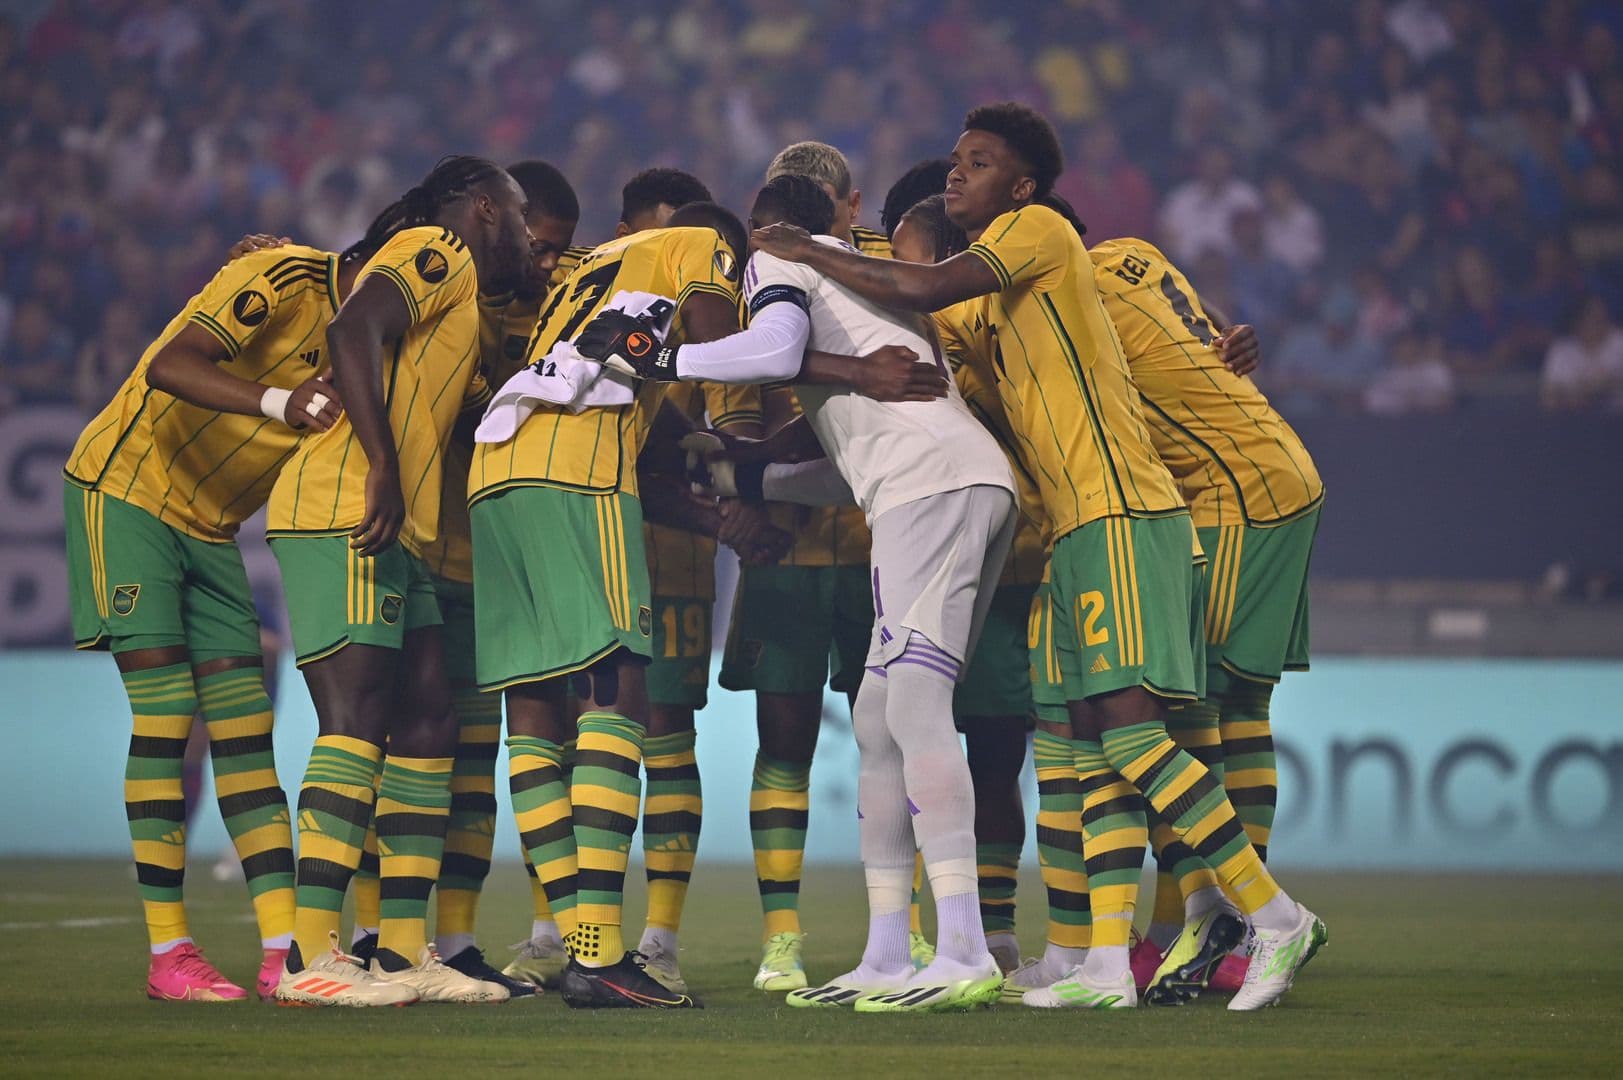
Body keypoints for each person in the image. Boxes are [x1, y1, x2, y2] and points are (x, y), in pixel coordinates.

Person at [751, 101, 1327, 1012]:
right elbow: (933, 366)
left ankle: (1270, 917)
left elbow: (926, 294)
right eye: (954, 160)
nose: (958, 171)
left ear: (1014, 189)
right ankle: (1093, 955)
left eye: (976, 163)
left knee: (1138, 731)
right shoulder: (984, 319)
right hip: (1068, 530)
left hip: (1124, 509)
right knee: (1068, 747)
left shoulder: (1039, 230)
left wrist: (809, 250)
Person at [575, 173, 1013, 1012]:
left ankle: (961, 947)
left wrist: (658, 358)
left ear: (760, 229)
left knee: (913, 708)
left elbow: (772, 353)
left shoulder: (779, 261)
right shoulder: (865, 292)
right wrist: (732, 465)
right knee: (885, 716)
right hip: (955, 485)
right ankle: (888, 951)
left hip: (929, 492)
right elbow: (831, 467)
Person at [267, 155, 535, 1007]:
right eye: (522, 219)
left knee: (428, 716)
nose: (527, 235)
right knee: (358, 718)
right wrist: (383, 463)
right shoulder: (436, 249)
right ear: (485, 209)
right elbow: (353, 331)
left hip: (403, 529)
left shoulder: (458, 304)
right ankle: (312, 958)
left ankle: (402, 953)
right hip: (346, 505)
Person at [62, 229, 350, 1003]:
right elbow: (169, 364)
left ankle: (285, 951)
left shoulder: (378, 350)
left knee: (247, 730)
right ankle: (170, 955)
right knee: (167, 714)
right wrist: (281, 399)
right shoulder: (285, 277)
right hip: (124, 491)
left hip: (210, 526)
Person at [1086, 234, 1323, 1002]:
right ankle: (1220, 929)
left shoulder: (1066, 291)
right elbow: (1204, 325)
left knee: (1183, 712)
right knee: (1241, 708)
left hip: (1229, 495)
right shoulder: (1132, 255)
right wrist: (1224, 340)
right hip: (1277, 473)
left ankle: (1216, 924)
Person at [719, 140, 925, 993]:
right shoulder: (755, 277)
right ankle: (783, 941)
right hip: (795, 546)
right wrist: (744, 493)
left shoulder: (895, 274)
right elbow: (732, 414)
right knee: (785, 742)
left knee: (898, 740)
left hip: (883, 539)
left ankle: (900, 934)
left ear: (852, 204)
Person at [889, 190, 1045, 976]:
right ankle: (950, 926)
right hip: (969, 547)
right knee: (939, 740)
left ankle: (986, 926)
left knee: (984, 745)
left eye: (909, 258)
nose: (897, 273)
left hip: (1005, 553)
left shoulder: (963, 327)